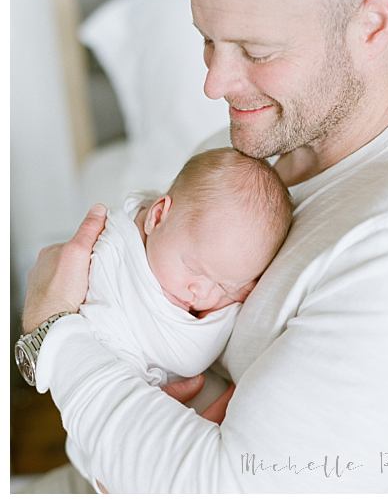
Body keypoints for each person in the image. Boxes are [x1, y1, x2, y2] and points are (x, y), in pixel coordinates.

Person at [19, 0, 388, 493]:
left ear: (372, 23)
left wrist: (53, 336)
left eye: (257, 51)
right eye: (206, 41)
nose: (215, 83)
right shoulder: (236, 148)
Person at [64, 147, 292, 486]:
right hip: (103, 411)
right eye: (194, 268)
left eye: (225, 287)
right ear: (156, 217)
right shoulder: (115, 255)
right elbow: (182, 354)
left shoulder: (183, 251)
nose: (201, 294)